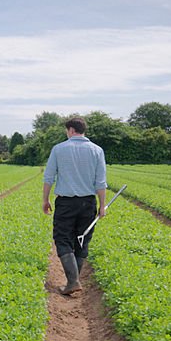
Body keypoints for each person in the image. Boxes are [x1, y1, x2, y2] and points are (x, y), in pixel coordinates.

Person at [41, 117, 107, 295]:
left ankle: (72, 281)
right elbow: (101, 181)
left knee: (63, 239)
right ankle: (73, 281)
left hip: (66, 202)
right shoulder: (97, 150)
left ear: (70, 130)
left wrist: (45, 200)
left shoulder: (59, 149)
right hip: (88, 203)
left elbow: (49, 177)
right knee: (82, 240)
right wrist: (103, 206)